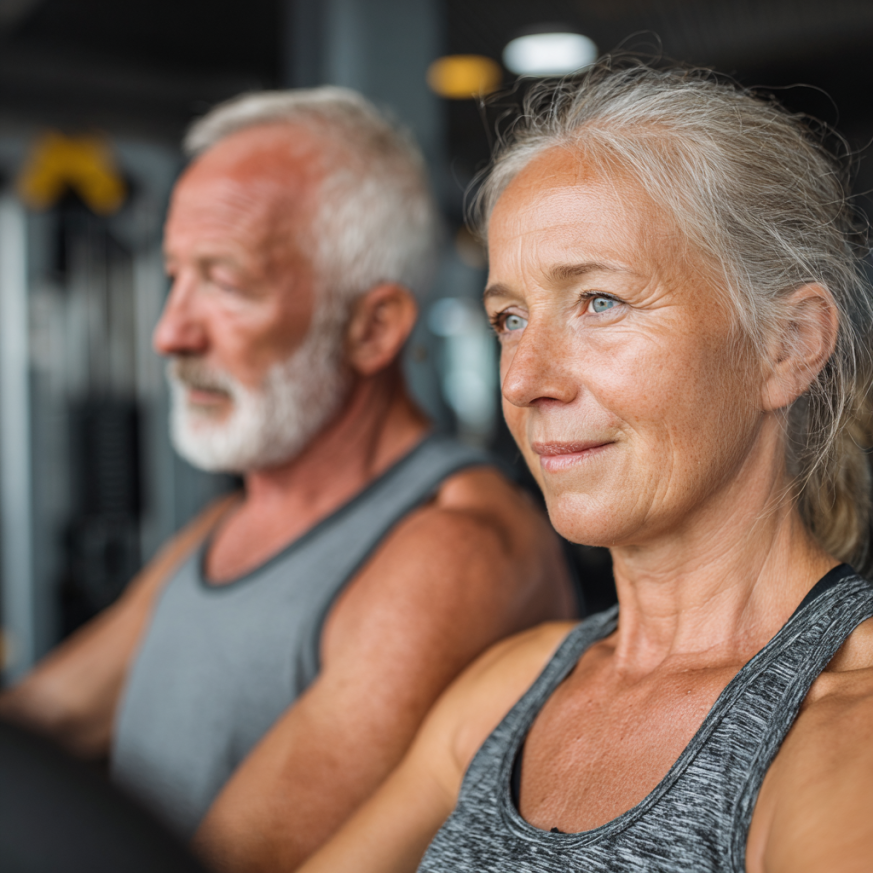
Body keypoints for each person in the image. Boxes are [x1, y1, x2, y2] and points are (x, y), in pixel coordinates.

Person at [297, 62, 873, 873]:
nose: (526, 380)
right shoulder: (510, 685)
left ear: (787, 346)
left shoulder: (845, 723)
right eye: (509, 317)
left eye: (598, 301)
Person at [0, 88, 575, 871]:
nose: (171, 331)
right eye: (175, 276)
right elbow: (49, 715)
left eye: (225, 282)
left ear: (373, 327)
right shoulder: (234, 522)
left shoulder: (451, 552)